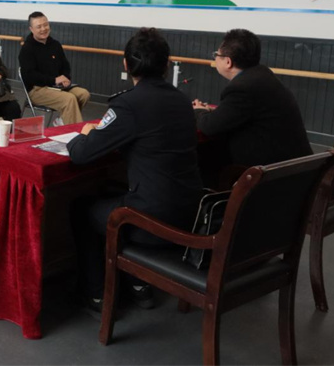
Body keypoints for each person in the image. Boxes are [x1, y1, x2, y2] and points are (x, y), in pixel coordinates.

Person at [67, 27, 203, 317]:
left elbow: (81, 154)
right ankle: (138, 284)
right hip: (190, 212)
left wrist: (84, 133)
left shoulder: (128, 104)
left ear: (126, 64)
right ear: (167, 65)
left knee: (82, 208)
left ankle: (97, 294)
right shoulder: (182, 100)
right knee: (109, 193)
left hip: (152, 221)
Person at [193, 29, 312, 167]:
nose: (215, 58)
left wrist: (199, 111)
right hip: (296, 166)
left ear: (228, 62)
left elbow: (210, 127)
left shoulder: (242, 88)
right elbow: (240, 114)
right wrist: (213, 112)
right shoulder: (262, 75)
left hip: (273, 172)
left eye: (216, 55)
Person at [18, 12, 90, 125]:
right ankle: (76, 132)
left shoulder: (55, 44)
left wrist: (65, 78)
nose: (43, 29)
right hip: (37, 90)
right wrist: (54, 80)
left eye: (45, 25)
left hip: (56, 87)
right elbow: (29, 75)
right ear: (31, 29)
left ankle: (63, 121)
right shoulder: (27, 48)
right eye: (39, 26)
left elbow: (65, 66)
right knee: (69, 99)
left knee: (83, 94)